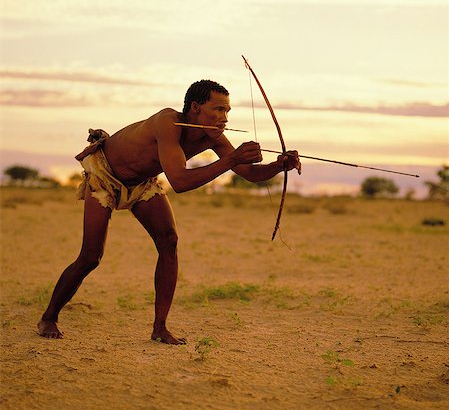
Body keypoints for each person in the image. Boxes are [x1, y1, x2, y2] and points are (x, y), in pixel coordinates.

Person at [37, 80, 300, 345]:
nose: (224, 118)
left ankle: (160, 328)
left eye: (227, 111)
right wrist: (232, 159)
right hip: (104, 174)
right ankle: (49, 317)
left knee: (169, 242)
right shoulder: (168, 123)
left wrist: (279, 166)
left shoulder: (213, 136)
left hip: (141, 183)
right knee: (91, 256)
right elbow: (180, 181)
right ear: (196, 108)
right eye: (218, 109)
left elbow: (250, 174)